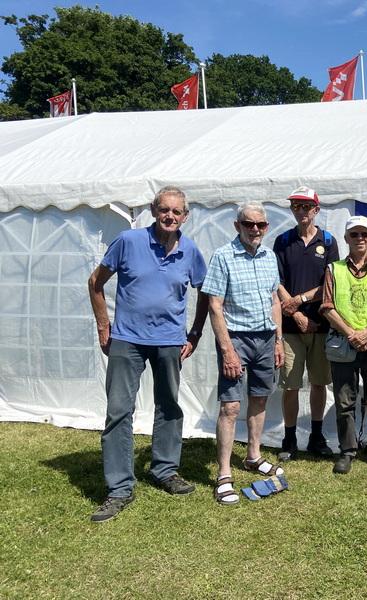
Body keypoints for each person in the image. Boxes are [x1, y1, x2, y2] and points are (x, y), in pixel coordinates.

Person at [87, 186, 208, 523]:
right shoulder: (129, 241)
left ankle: (165, 470)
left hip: (170, 341)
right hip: (127, 340)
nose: (170, 216)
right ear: (155, 211)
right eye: (164, 210)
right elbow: (95, 282)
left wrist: (194, 333)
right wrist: (103, 325)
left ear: (185, 216)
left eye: (177, 212)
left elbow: (206, 292)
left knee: (169, 405)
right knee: (118, 411)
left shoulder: (190, 251)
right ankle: (119, 488)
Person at [202, 202, 284, 505]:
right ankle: (224, 473)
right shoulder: (223, 257)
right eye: (249, 224)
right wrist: (227, 351)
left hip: (265, 338)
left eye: (260, 225)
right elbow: (215, 306)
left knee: (261, 398)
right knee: (231, 407)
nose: (255, 230)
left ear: (266, 227)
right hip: (235, 338)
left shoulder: (269, 256)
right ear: (237, 226)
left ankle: (253, 456)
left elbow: (274, 299)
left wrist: (278, 340)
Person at [320, 216, 367, 475]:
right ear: (346, 239)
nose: (360, 238)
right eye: (354, 234)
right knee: (344, 402)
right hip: (343, 343)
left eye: (365, 233)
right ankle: (347, 450)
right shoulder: (333, 269)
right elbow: (327, 306)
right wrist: (352, 333)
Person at [273, 186, 339, 461]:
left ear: (316, 209)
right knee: (290, 384)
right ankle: (289, 437)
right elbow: (275, 280)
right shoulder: (283, 240)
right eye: (296, 206)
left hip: (321, 325)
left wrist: (300, 301)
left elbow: (331, 281)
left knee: (319, 383)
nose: (301, 211)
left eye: (306, 206)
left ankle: (316, 434)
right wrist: (296, 314)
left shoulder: (328, 240)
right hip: (290, 328)